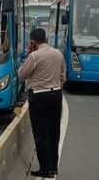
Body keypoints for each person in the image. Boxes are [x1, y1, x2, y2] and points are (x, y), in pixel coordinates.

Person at [19, 28, 66, 179]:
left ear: (33, 41)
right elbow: (63, 76)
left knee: (41, 134)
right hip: (56, 94)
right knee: (54, 132)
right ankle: (53, 167)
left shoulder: (34, 56)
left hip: (39, 96)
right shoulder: (58, 53)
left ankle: (45, 169)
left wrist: (28, 55)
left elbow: (22, 75)